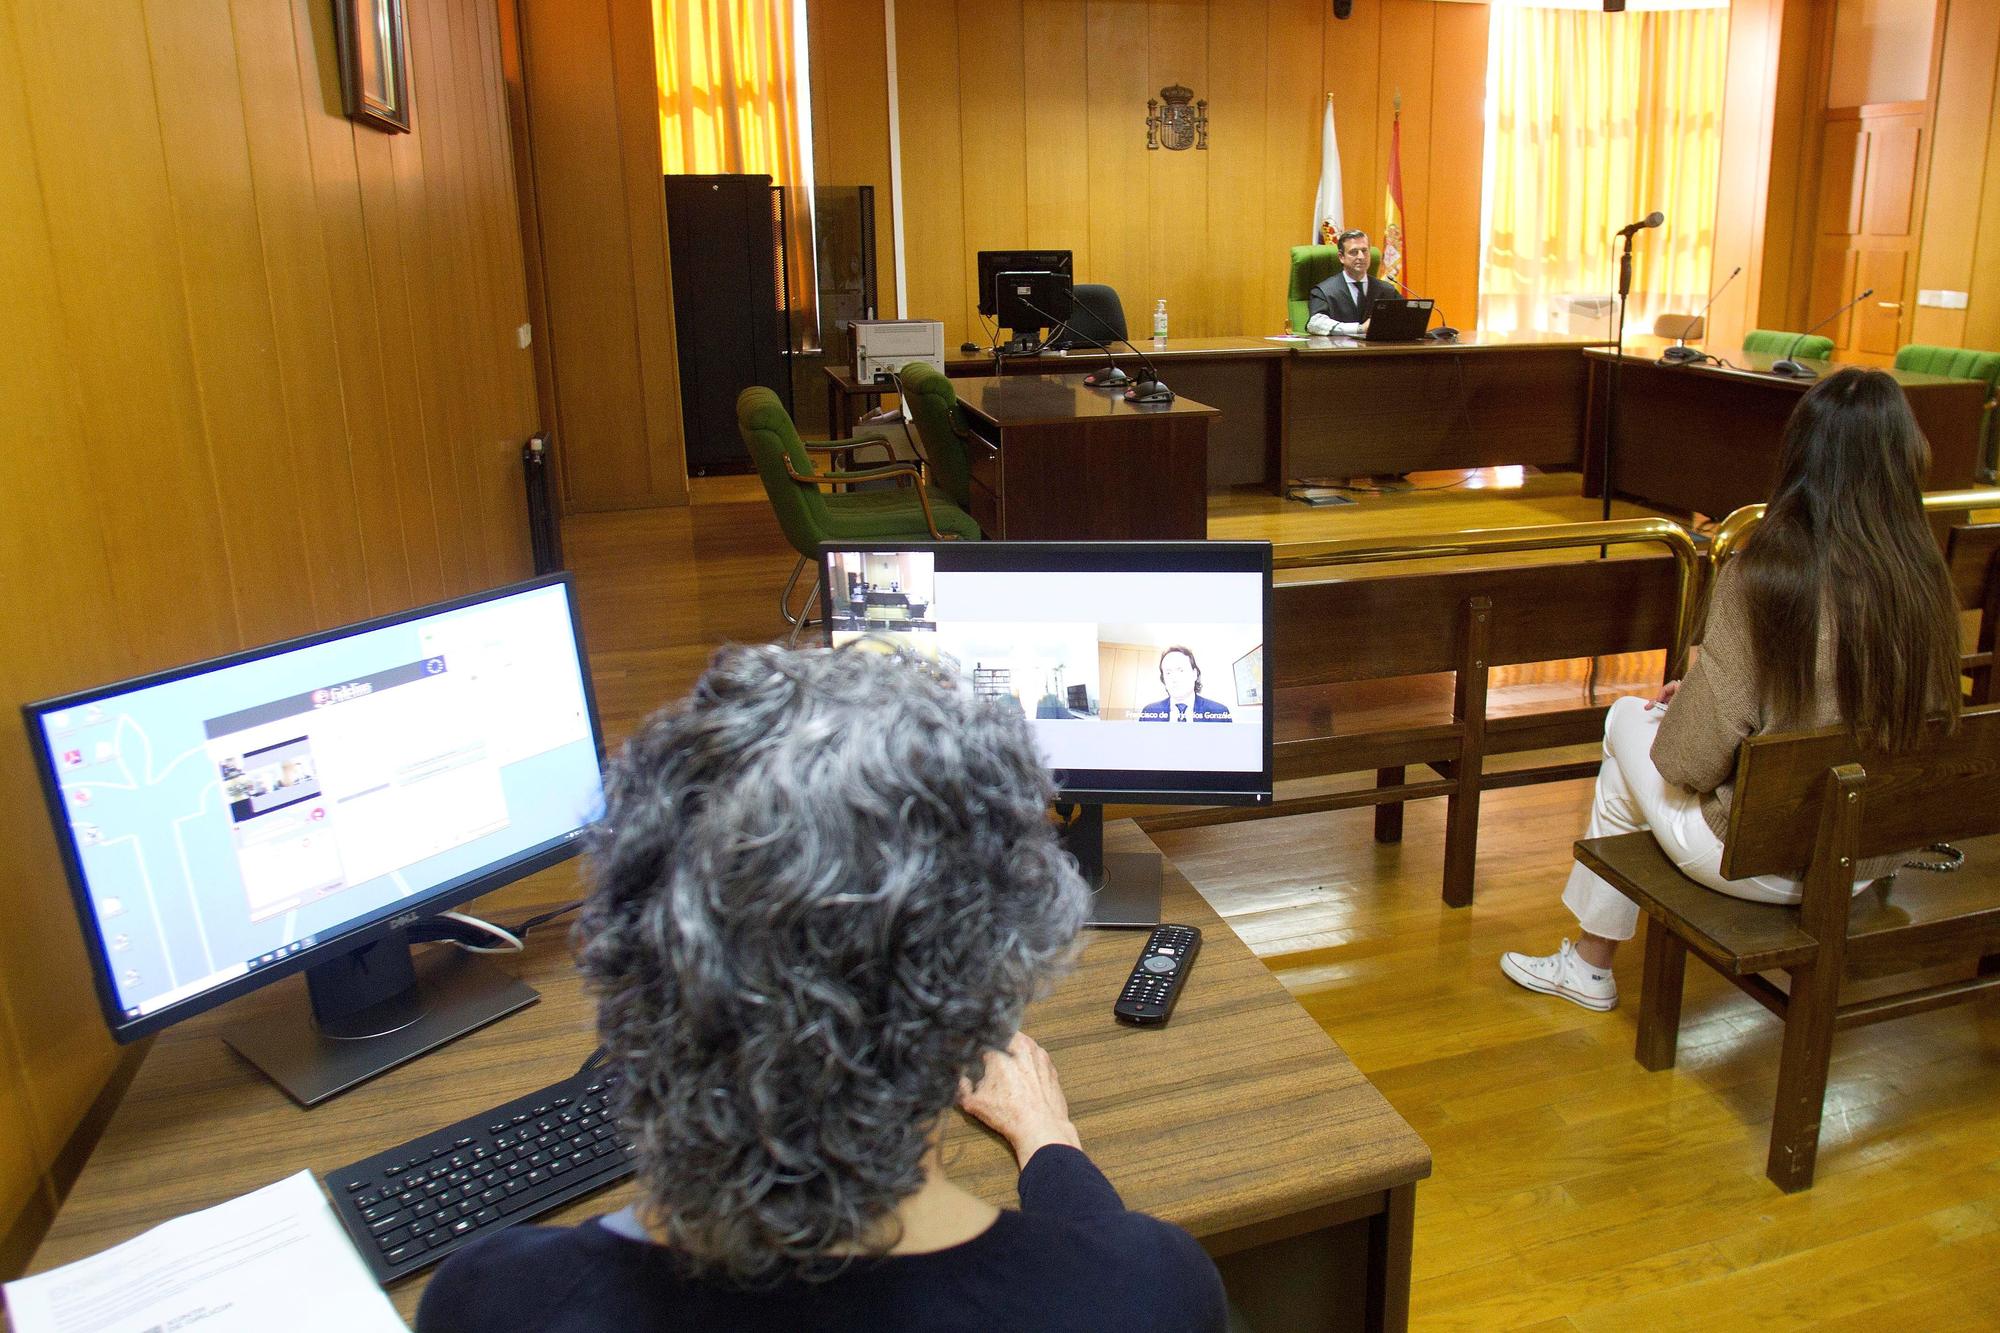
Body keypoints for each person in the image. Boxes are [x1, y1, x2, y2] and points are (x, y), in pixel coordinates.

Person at [417, 644, 1227, 1332]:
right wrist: (1051, 1146)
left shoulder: (491, 1300)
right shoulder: (1149, 1294)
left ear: (634, 973)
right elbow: (1099, 1275)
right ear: (982, 1002)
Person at [1500, 368, 1963, 1010]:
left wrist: (1690, 704)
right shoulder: (1925, 584)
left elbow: (1688, 762)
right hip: (1864, 859)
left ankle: (1591, 961)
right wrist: (1701, 695)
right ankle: (1589, 959)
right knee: (1664, 726)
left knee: (1625, 722)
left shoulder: (1764, 578)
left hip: (1758, 859)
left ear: (1801, 456)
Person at [1305, 230, 1398, 337]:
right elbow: (1315, 324)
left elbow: (1405, 315)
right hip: (1340, 351)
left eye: (1364, 251)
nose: (1361, 257)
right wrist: (1359, 329)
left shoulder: (1387, 290)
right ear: (1341, 257)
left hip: (1378, 351)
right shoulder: (1324, 291)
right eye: (1354, 252)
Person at [1137, 646, 1233, 722]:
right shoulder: (1148, 712)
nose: (1174, 678)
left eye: (1181, 670)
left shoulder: (1220, 712)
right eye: (1168, 672)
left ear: (1194, 674)